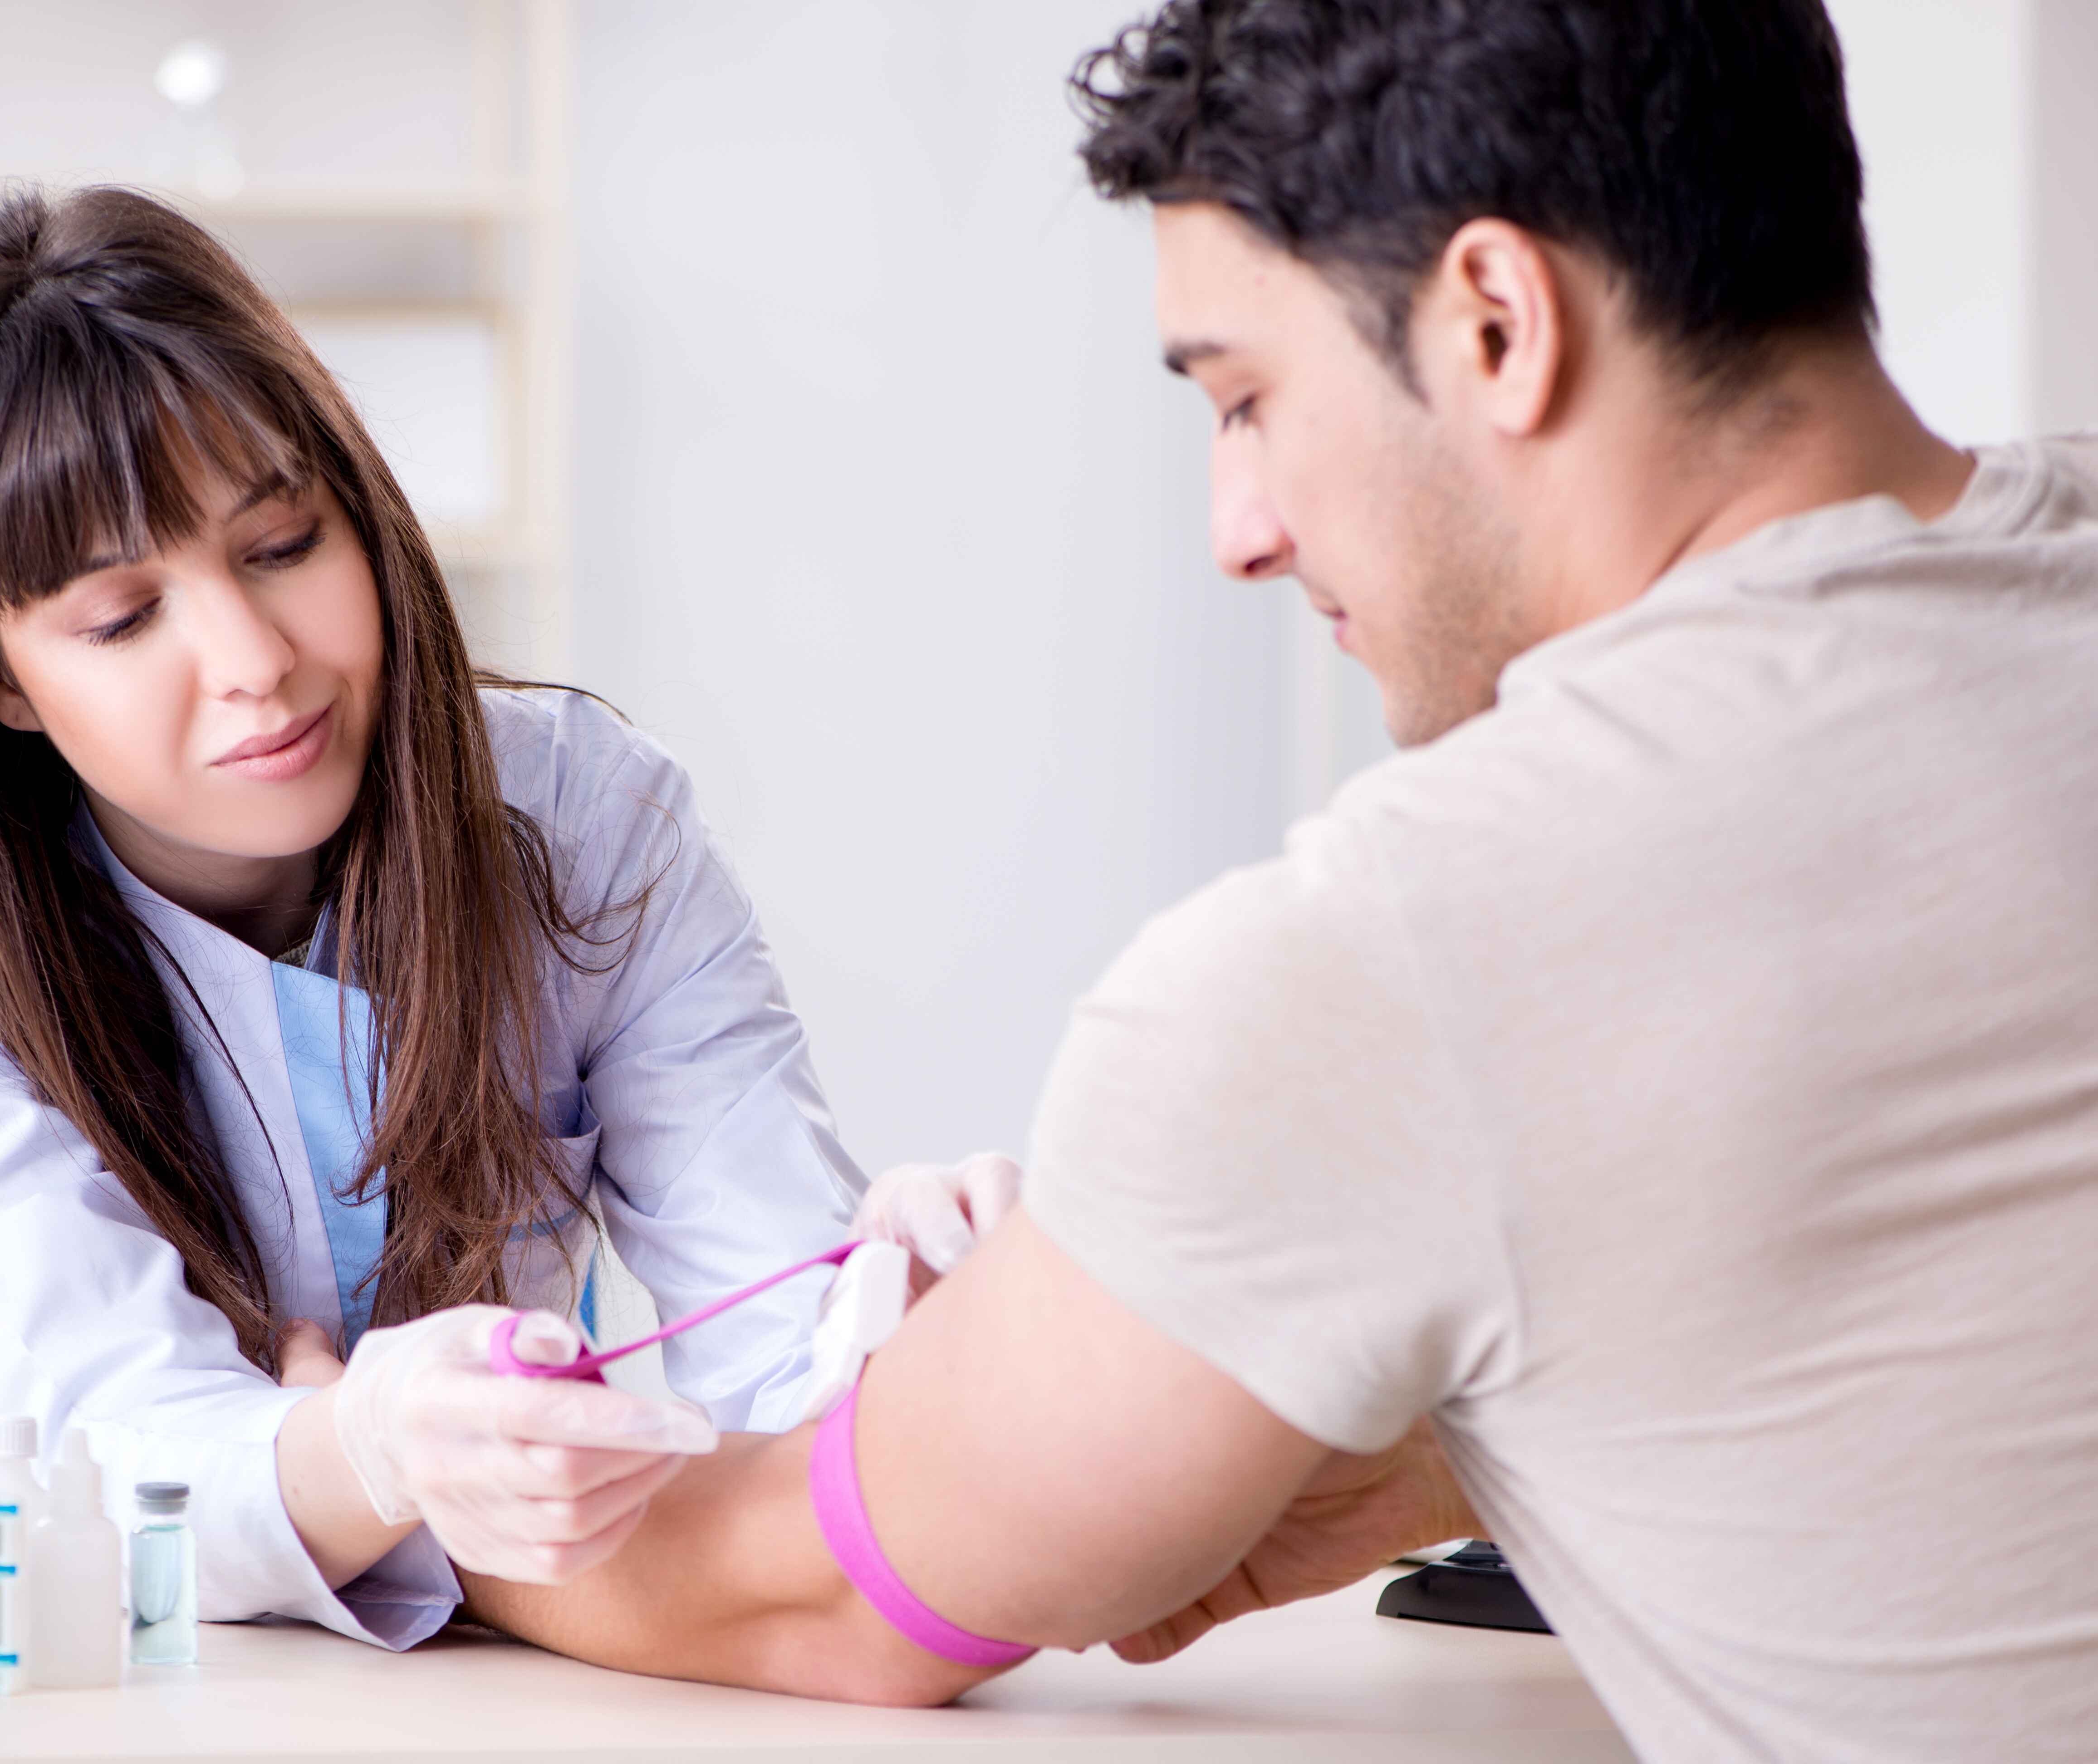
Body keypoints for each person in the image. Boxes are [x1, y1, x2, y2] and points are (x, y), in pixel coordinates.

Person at [427, 3, 2098, 1756]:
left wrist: (382, 1479)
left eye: (1245, 400)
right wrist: (1461, 1453)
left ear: (1495, 324)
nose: (1238, 528)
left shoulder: (1410, 948)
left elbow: (819, 1596)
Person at [0, 187, 1007, 1651]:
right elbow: (106, 1472)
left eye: (282, 542)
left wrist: (913, 1327)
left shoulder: (581, 810)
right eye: (119, 617)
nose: (254, 662)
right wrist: (367, 1451)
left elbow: (782, 1374)